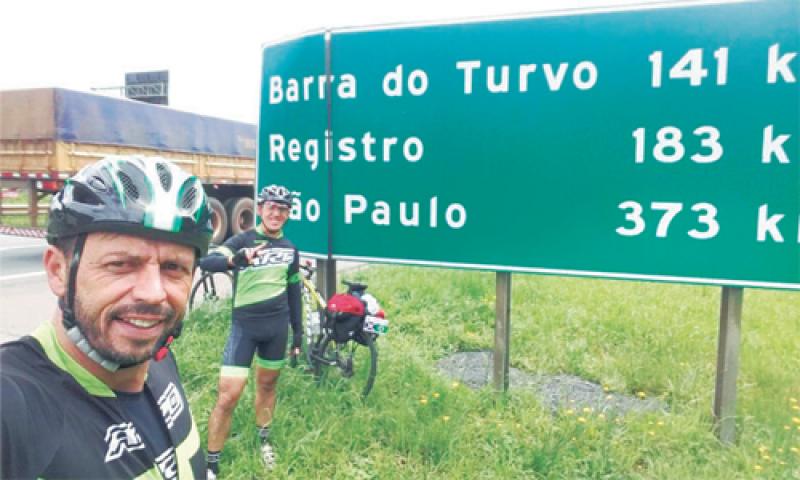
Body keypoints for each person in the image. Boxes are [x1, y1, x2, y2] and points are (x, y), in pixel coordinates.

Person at [0, 155, 211, 479]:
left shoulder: (156, 361)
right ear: (58, 271)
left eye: (173, 268)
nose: (153, 293)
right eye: (121, 264)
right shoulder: (15, 406)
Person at [202, 184, 302, 478]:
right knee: (228, 396)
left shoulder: (290, 250)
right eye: (272, 207)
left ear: (288, 215)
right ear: (260, 209)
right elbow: (205, 262)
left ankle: (264, 441)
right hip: (244, 327)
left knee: (268, 386)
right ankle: (211, 464)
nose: (276, 214)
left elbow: (294, 293)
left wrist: (298, 334)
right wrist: (236, 260)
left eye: (283, 209)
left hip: (276, 328)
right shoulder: (242, 240)